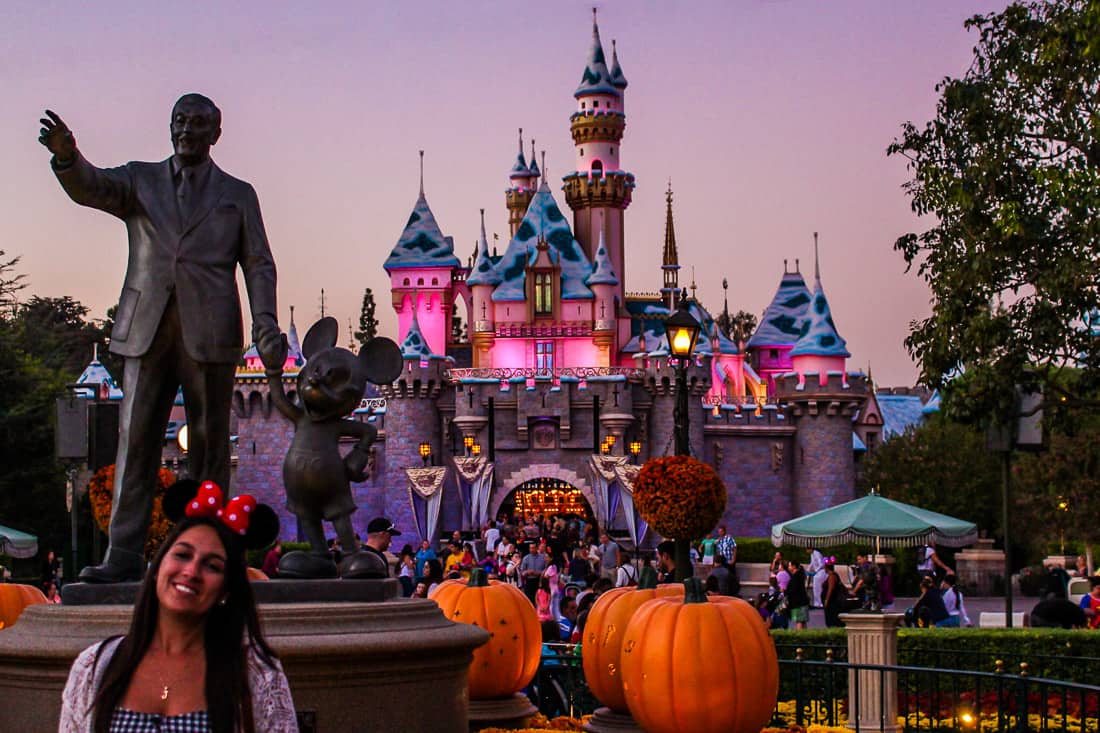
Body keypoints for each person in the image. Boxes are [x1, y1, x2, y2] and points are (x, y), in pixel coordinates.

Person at [40, 98, 283, 584]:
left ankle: (208, 549)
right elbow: (93, 187)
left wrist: (265, 322)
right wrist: (68, 158)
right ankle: (124, 552)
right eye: (179, 121)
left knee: (211, 444)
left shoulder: (238, 194)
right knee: (135, 439)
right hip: (147, 328)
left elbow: (258, 262)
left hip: (210, 330)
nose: (185, 130)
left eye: (196, 124)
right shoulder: (139, 180)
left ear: (216, 133)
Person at [59, 515, 297, 731]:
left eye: (212, 566)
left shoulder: (257, 674)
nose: (192, 571)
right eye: (182, 555)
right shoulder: (95, 667)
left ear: (225, 590)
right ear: (156, 568)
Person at [822, 557, 848, 628]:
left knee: (832, 620)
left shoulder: (832, 576)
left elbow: (830, 589)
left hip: (833, 602)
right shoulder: (831, 576)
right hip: (832, 602)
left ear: (826, 568)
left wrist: (826, 600)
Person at [786, 560, 810, 630]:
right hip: (802, 602)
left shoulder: (796, 577)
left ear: (793, 567)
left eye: (790, 565)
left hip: (798, 603)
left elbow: (793, 590)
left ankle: (798, 638)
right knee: (803, 622)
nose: (788, 567)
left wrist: (786, 592)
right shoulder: (799, 575)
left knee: (799, 621)